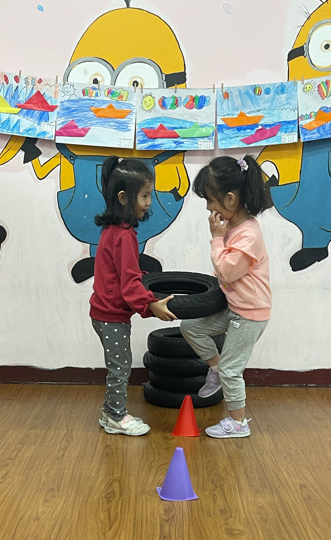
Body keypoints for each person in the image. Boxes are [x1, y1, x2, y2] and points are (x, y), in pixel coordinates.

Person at [180, 155, 272, 438]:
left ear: (230, 200)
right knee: (190, 326)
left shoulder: (248, 235)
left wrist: (216, 238)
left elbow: (227, 272)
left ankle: (238, 423)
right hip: (234, 308)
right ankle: (215, 368)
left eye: (210, 200)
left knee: (232, 370)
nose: (208, 207)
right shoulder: (234, 227)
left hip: (249, 315)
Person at [90, 157, 175, 436]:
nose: (149, 202)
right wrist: (151, 305)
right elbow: (129, 284)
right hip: (111, 315)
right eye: (144, 196)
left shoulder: (113, 230)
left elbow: (123, 276)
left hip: (104, 312)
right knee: (120, 368)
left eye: (150, 195)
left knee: (119, 365)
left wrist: (145, 291)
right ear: (124, 198)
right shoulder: (124, 236)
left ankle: (109, 412)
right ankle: (115, 416)